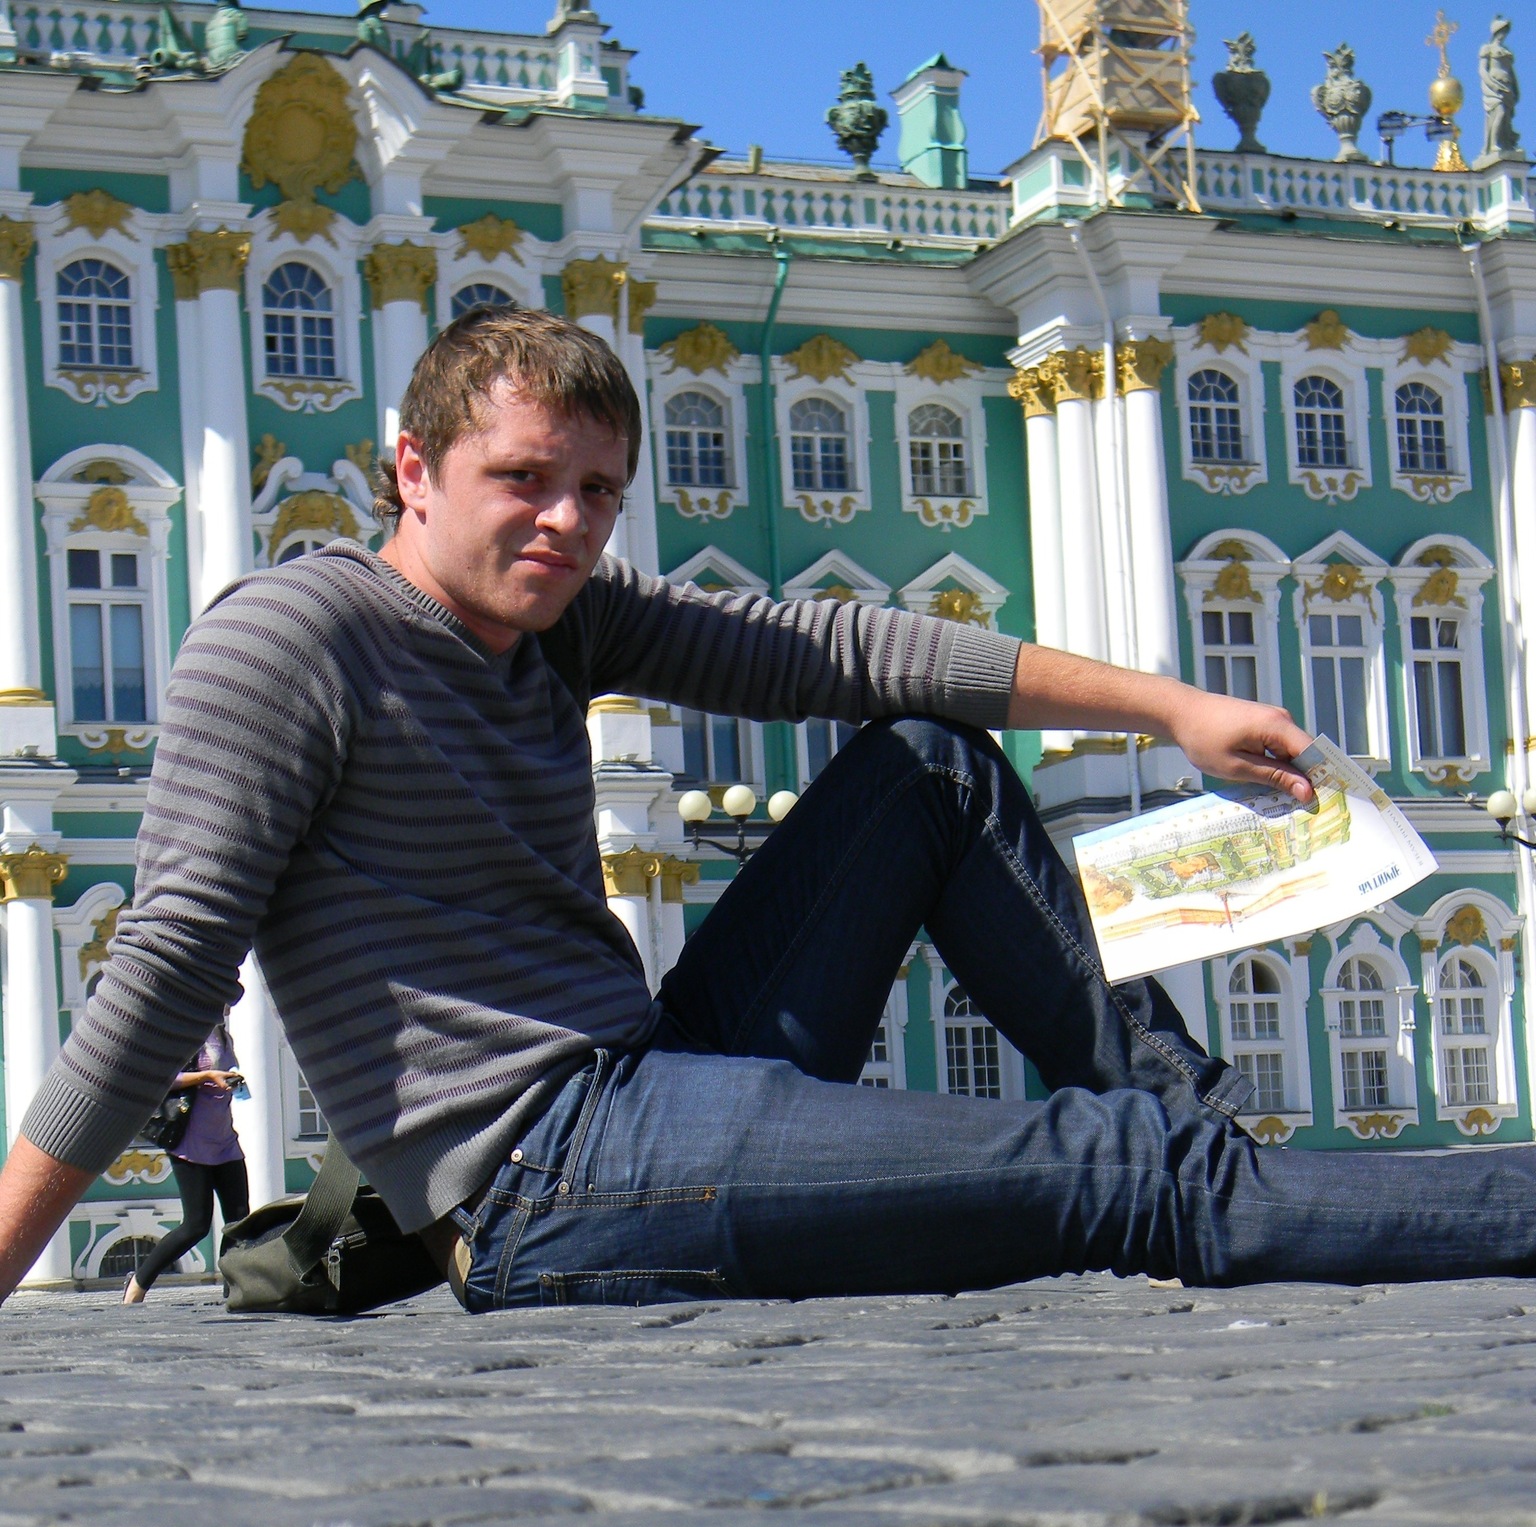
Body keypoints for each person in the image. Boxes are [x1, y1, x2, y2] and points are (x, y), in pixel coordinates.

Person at [2, 304, 1536, 1312]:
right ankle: (1218, 1182)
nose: (568, 523)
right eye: (526, 479)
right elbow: (170, 968)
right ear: (414, 469)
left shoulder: (560, 618)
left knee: (926, 764)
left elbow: (839, 651)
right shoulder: (292, 641)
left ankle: (1204, 1151)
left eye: (600, 492)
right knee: (1113, 1175)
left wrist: (1173, 707)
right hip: (545, 1177)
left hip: (647, 1073)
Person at [122, 1013, 249, 1303]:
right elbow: (162, 1079)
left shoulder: (223, 1035)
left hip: (225, 1139)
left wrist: (233, 1081)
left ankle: (234, 1292)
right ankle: (138, 1283)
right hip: (191, 1143)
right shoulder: (187, 1032)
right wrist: (206, 1076)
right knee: (196, 1225)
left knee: (239, 1222)